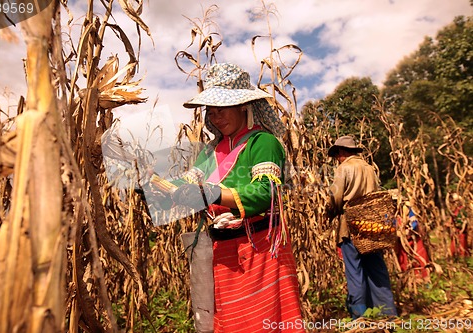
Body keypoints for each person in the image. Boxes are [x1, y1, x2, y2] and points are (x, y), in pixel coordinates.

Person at [169, 63, 303, 332]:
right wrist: (157, 188)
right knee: (230, 322)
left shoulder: (262, 143)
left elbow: (267, 192)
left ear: (244, 105)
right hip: (223, 253)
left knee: (261, 322)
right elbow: (187, 184)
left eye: (222, 108)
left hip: (259, 250)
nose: (216, 117)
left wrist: (215, 192)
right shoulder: (211, 151)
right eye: (211, 110)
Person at [327, 135, 397, 319]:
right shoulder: (369, 168)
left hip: (350, 227)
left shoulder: (344, 168)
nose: (337, 159)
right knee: (377, 270)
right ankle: (388, 315)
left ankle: (360, 318)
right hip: (372, 226)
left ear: (341, 152)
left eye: (337, 155)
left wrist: (329, 212)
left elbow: (336, 198)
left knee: (355, 273)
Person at [449, 193, 469, 257]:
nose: (455, 203)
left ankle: (463, 259)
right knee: (453, 247)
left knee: (462, 246)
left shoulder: (462, 209)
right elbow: (452, 220)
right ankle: (455, 259)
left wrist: (462, 229)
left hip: (461, 231)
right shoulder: (454, 210)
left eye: (456, 201)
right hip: (455, 231)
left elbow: (465, 220)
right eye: (453, 202)